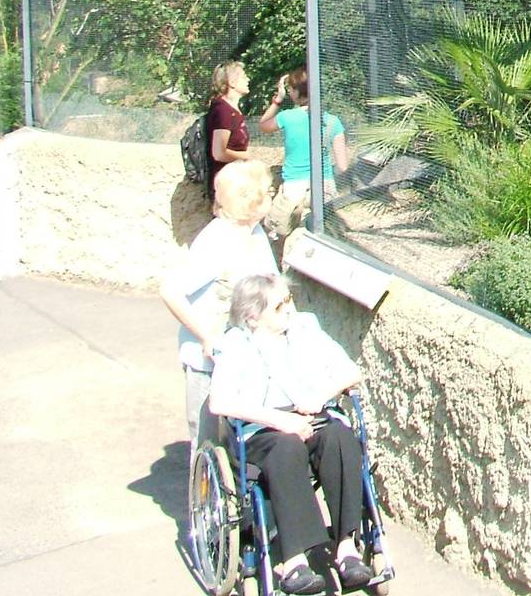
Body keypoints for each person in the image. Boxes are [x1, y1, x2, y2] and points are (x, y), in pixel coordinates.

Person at [208, 273, 373, 595]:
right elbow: (220, 401)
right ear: (253, 317)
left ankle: (346, 549)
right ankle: (294, 560)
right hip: (264, 428)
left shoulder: (305, 329)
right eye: (279, 305)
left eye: (289, 299)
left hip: (314, 414)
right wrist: (279, 421)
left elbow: (351, 371)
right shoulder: (235, 344)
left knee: (340, 438)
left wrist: (319, 395)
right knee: (287, 448)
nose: (289, 308)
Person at [159, 159, 277, 444]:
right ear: (250, 200)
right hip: (210, 362)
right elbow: (170, 291)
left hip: (247, 358)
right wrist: (207, 336)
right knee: (209, 442)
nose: (272, 194)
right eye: (268, 190)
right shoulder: (218, 239)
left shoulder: (254, 232)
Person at [257, 67, 349, 237]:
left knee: (281, 232)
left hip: (294, 187)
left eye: (291, 89)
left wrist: (277, 101)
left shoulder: (287, 117)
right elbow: (343, 166)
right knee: (323, 236)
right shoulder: (333, 121)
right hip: (324, 186)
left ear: (296, 91)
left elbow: (263, 125)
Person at [206, 60, 253, 194]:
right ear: (231, 83)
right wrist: (246, 156)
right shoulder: (223, 111)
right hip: (226, 184)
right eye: (243, 77)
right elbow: (219, 153)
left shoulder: (233, 110)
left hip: (234, 180)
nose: (248, 79)